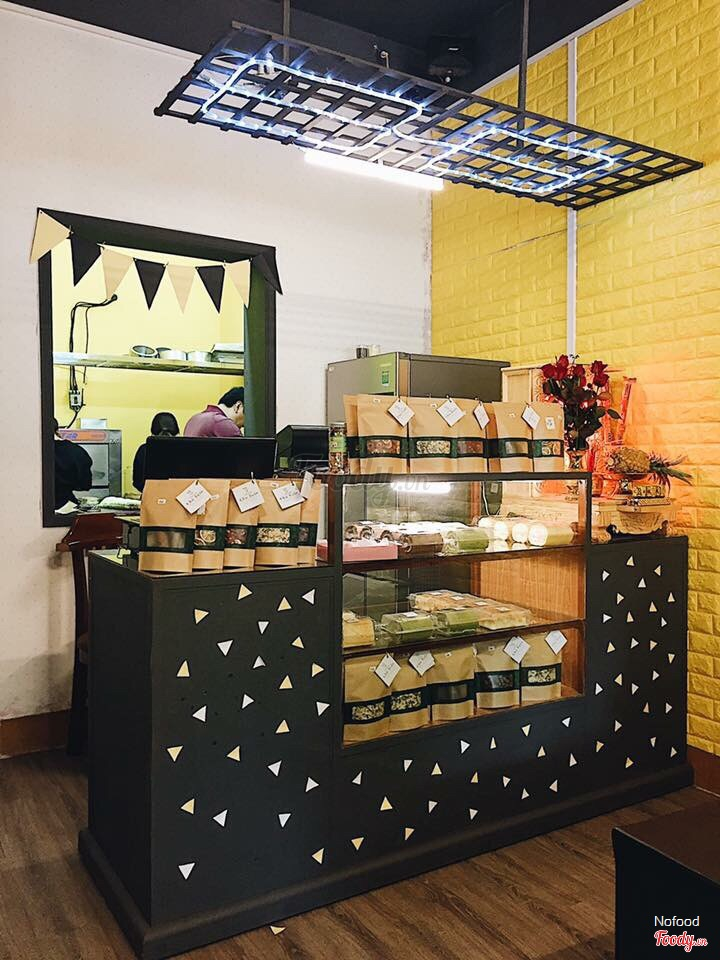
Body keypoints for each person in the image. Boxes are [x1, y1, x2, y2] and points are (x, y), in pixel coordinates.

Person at [132, 412, 180, 492]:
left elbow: (137, 481)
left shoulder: (143, 450)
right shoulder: (184, 450)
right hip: (179, 496)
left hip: (150, 495)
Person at [53, 418, 93, 510]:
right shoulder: (76, 451)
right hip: (67, 506)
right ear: (57, 430)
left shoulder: (34, 452)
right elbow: (85, 484)